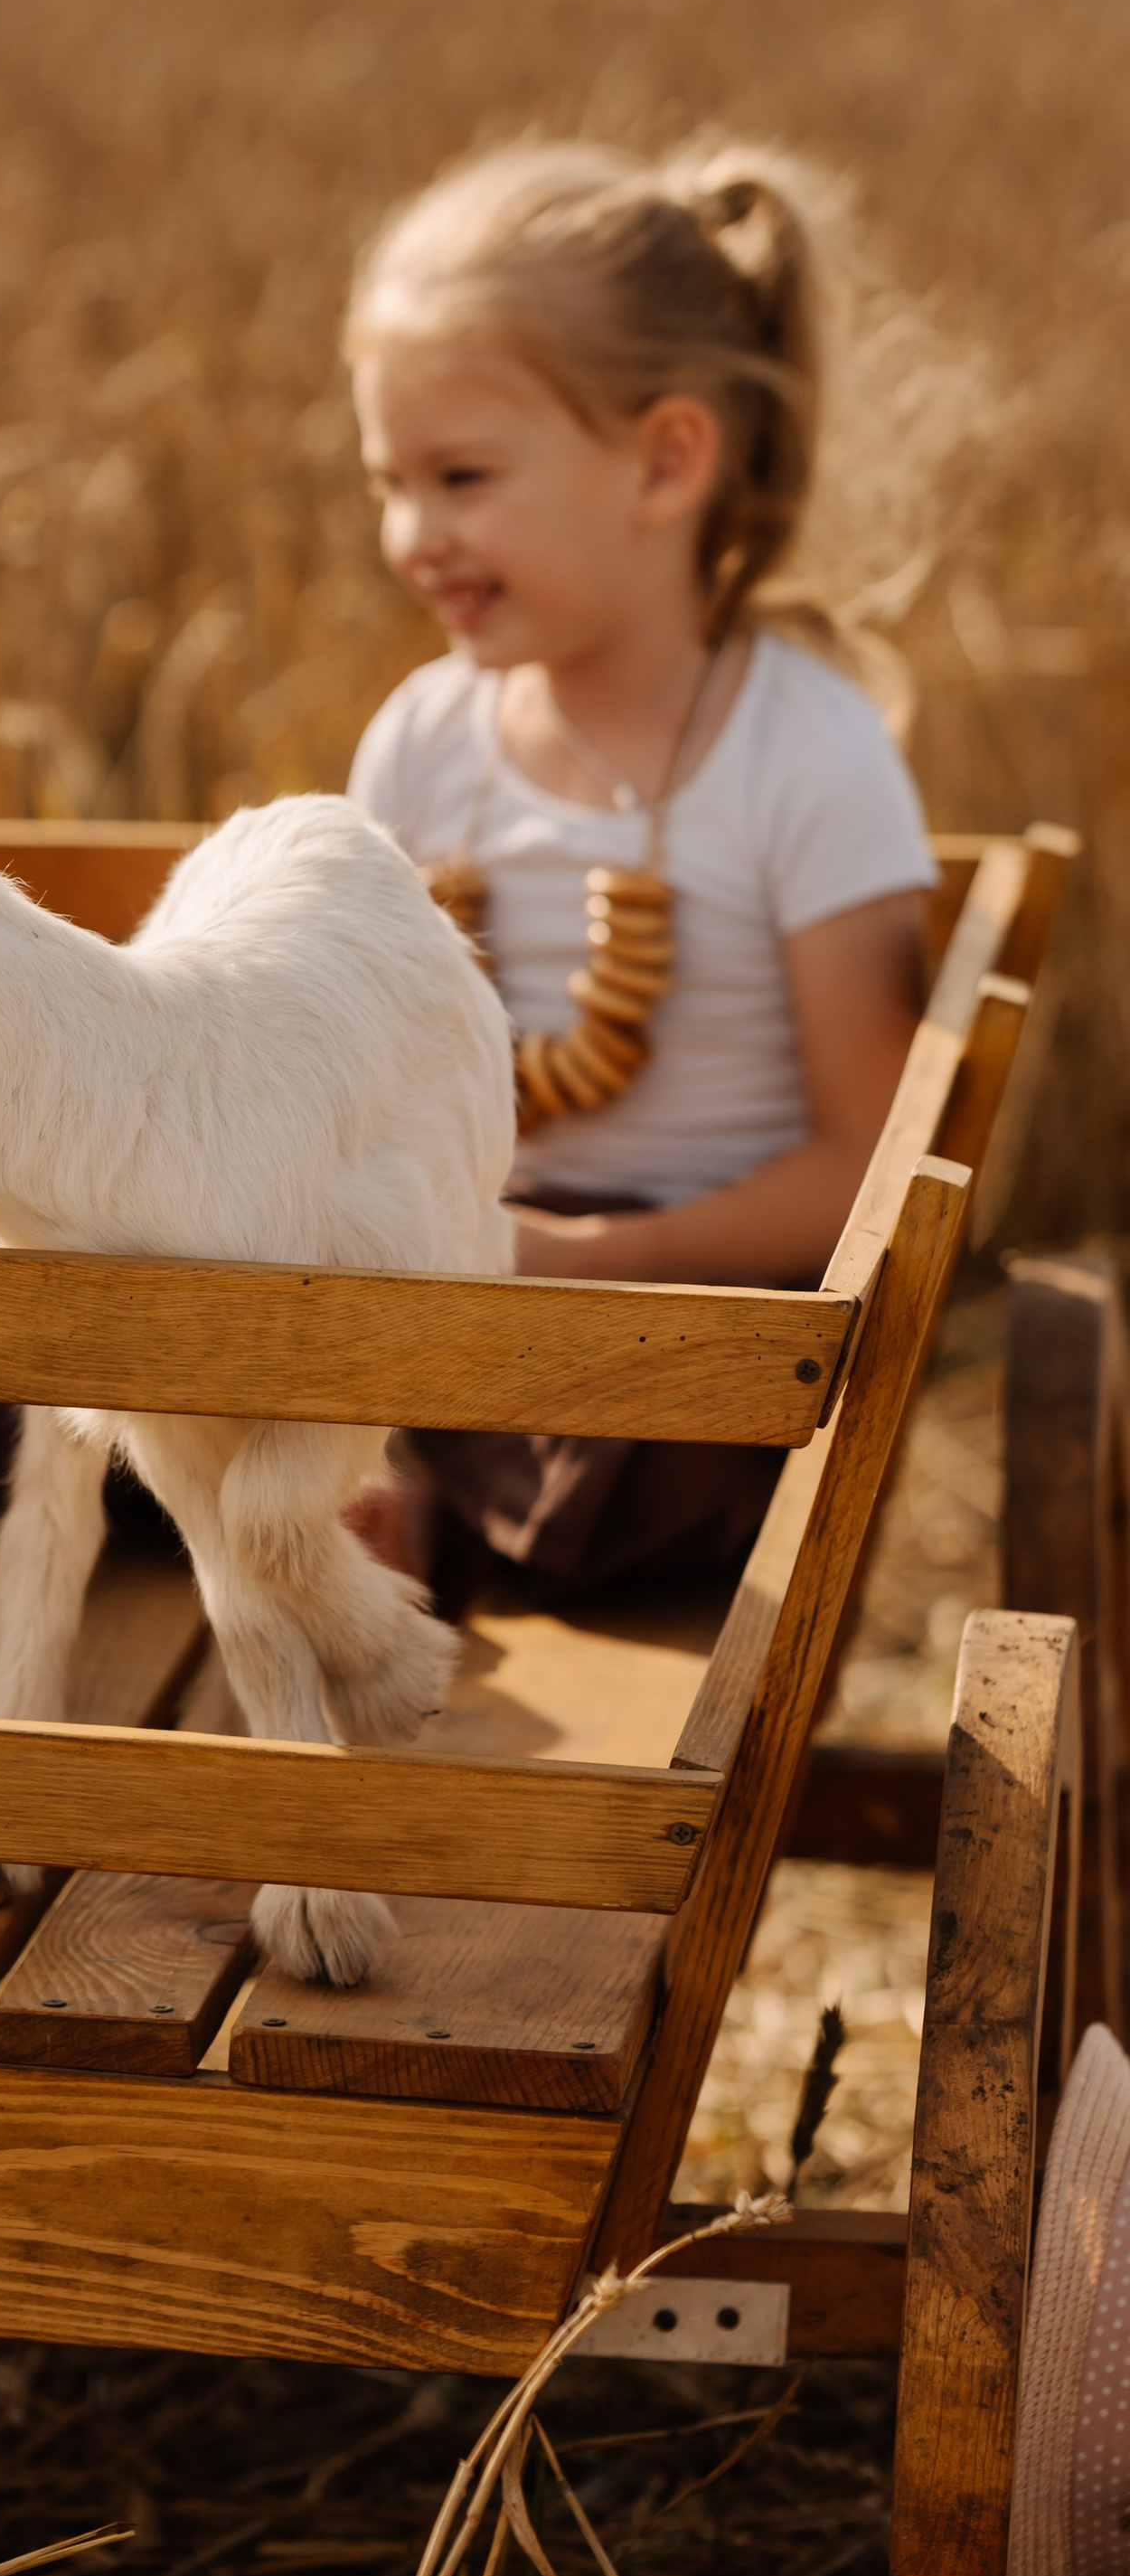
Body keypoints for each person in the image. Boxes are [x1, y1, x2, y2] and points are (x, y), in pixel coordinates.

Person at [344, 137, 936, 1606]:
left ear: (668, 459)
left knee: (661, 1446)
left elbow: (866, 1165)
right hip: (463, 1296)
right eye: (390, 482)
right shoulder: (425, 743)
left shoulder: (803, 752)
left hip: (701, 1312)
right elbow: (357, 1082)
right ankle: (397, 1496)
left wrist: (586, 1259)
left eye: (464, 477)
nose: (417, 538)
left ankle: (458, 1542)